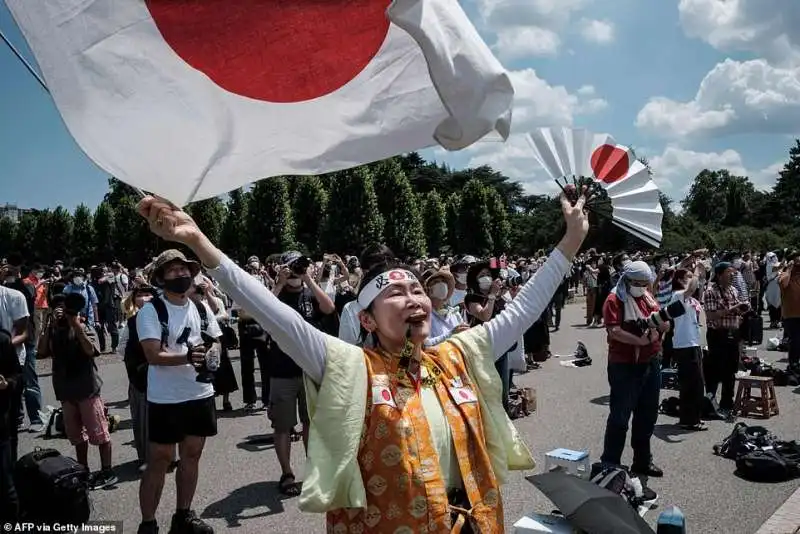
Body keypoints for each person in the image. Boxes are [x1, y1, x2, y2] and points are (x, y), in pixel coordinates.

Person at [138, 192, 588, 532]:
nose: (414, 298)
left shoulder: (457, 354)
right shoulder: (351, 367)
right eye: (396, 293)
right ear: (368, 319)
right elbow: (277, 317)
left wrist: (570, 241)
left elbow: (523, 310)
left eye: (417, 290)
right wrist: (198, 243)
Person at [136, 250, 222, 534]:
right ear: (160, 278)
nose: (180, 275)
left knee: (192, 454)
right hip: (166, 397)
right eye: (172, 271)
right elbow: (152, 355)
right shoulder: (151, 310)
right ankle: (148, 523)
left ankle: (183, 515)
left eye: (184, 269)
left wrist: (212, 354)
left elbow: (216, 340)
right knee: (159, 460)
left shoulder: (200, 307)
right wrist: (188, 358)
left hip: (199, 392)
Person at [600, 261, 668, 494]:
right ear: (627, 280)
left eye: (644, 283)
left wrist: (662, 326)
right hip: (624, 364)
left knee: (648, 413)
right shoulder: (614, 299)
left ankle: (642, 459)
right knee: (620, 414)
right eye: (637, 283)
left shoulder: (647, 297)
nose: (640, 287)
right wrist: (640, 340)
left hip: (651, 361)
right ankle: (610, 463)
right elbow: (614, 330)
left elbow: (661, 319)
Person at [669, 269, 706, 431]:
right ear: (680, 280)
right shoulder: (677, 295)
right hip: (684, 345)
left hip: (694, 343)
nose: (692, 279)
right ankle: (688, 419)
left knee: (697, 384)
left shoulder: (691, 299)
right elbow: (691, 287)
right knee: (691, 384)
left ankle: (693, 417)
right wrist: (697, 271)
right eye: (688, 277)